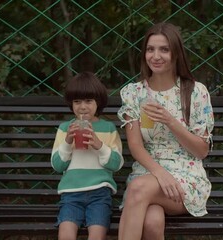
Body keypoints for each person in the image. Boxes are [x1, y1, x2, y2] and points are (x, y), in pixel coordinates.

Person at [117, 22, 214, 240]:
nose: (156, 56)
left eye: (164, 49)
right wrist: (160, 174)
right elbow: (135, 145)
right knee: (152, 222)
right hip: (147, 173)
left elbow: (201, 151)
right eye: (150, 49)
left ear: (176, 54)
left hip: (185, 178)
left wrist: (170, 121)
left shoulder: (195, 92)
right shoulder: (134, 93)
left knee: (138, 188)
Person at [51, 71, 124, 240]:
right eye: (77, 101)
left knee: (97, 236)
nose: (83, 107)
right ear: (71, 104)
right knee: (65, 235)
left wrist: (99, 146)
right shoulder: (64, 129)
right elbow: (57, 166)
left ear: (98, 102)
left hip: (100, 194)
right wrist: (68, 141)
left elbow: (116, 164)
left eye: (88, 101)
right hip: (71, 194)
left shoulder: (108, 128)